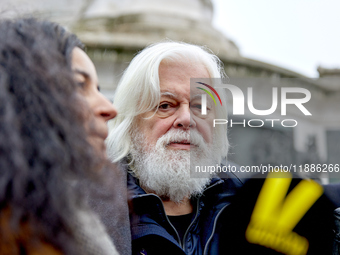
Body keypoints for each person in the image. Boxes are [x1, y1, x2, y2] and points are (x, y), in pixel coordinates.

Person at [0, 17, 127, 254]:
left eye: (98, 89)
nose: (110, 109)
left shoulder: (65, 218)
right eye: (80, 85)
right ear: (21, 96)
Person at [106, 41, 243, 254]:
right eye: (166, 105)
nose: (187, 119)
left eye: (200, 106)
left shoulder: (245, 202)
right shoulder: (85, 206)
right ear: (130, 121)